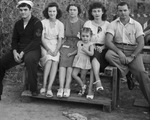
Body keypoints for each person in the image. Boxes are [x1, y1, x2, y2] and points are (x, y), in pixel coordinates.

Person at [105, 2, 150, 105]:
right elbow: (108, 41)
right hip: (118, 48)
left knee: (142, 75)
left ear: (129, 11)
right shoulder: (113, 24)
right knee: (108, 55)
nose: (123, 13)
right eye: (120, 10)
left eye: (125, 10)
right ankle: (128, 73)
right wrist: (119, 52)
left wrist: (132, 56)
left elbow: (141, 43)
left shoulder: (136, 24)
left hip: (133, 51)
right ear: (117, 12)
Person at [0, 0, 43, 99]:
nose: (23, 12)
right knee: (1, 63)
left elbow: (36, 41)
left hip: (33, 50)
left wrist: (23, 52)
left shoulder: (37, 23)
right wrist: (15, 52)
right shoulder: (18, 24)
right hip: (18, 50)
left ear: (30, 10)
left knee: (29, 60)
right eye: (21, 10)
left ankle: (33, 89)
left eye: (25, 10)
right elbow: (14, 40)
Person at [83, 2, 109, 99]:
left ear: (102, 12)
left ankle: (91, 89)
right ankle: (97, 83)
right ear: (91, 13)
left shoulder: (108, 24)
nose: (97, 13)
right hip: (90, 49)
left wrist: (102, 47)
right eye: (94, 11)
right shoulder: (88, 23)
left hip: (103, 50)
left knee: (95, 57)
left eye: (99, 11)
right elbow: (84, 38)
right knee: (94, 55)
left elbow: (110, 41)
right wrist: (91, 45)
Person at [58, 4, 84, 98]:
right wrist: (58, 48)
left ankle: (67, 87)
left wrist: (80, 40)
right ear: (68, 11)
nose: (72, 11)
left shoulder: (82, 23)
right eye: (70, 10)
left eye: (74, 10)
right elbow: (62, 37)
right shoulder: (64, 22)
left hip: (77, 46)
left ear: (78, 11)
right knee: (63, 60)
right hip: (66, 44)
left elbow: (84, 38)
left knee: (70, 63)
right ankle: (61, 87)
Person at [39, 2, 64, 97]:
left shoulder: (60, 24)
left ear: (57, 12)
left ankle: (49, 88)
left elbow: (60, 40)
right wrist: (48, 49)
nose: (52, 13)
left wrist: (56, 50)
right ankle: (44, 85)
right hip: (45, 45)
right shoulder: (43, 22)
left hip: (55, 46)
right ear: (47, 12)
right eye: (50, 11)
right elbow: (41, 38)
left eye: (54, 11)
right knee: (49, 59)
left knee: (55, 61)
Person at [71, 27, 94, 96]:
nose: (85, 38)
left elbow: (91, 53)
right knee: (74, 74)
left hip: (85, 61)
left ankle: (82, 90)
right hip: (78, 60)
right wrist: (71, 54)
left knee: (82, 77)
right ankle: (82, 85)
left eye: (87, 36)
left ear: (90, 37)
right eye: (83, 36)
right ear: (80, 36)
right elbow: (77, 50)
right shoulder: (79, 42)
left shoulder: (91, 44)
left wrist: (86, 51)